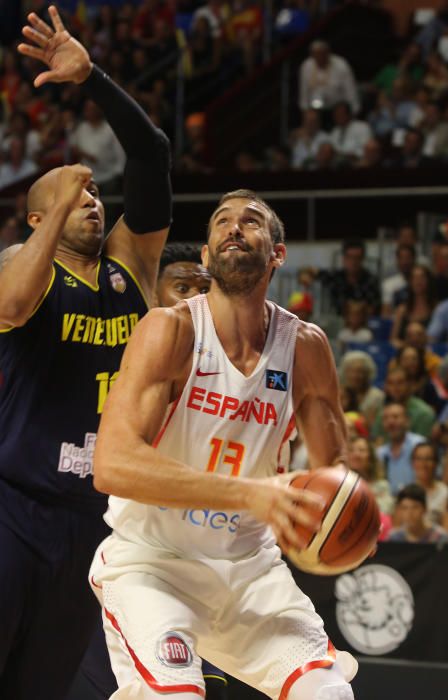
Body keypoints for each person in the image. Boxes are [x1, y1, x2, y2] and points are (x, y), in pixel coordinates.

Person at [90, 189, 358, 700]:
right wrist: (248, 494)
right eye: (221, 221)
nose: (234, 227)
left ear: (277, 253)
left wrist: (340, 522)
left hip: (250, 568)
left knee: (329, 694)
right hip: (152, 563)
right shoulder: (170, 330)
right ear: (207, 256)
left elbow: (335, 475)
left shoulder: (304, 346)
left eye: (251, 221)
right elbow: (113, 465)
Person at [0, 7, 172, 700]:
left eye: (96, 192)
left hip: (93, 519)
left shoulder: (130, 264)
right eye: (75, 198)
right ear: (38, 219)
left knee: (43, 684)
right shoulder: (21, 261)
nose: (92, 200)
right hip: (14, 506)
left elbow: (153, 155)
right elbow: (12, 305)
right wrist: (51, 201)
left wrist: (93, 76)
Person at [69, 244, 225, 700]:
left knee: (203, 689)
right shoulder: (121, 359)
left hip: (196, 560)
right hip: (121, 555)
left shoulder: (232, 371)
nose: (197, 299)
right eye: (183, 288)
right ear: (151, 299)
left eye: (204, 287)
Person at [376, 403, 425, 495]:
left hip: (416, 499)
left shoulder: (419, 444)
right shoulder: (380, 453)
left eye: (395, 417)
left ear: (407, 421)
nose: (390, 422)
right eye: (386, 418)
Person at [411, 442, 448, 526]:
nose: (423, 463)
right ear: (412, 463)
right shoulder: (406, 492)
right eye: (419, 458)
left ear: (436, 463)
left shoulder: (445, 492)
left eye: (428, 459)